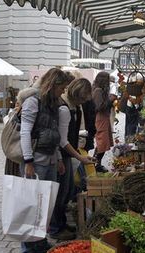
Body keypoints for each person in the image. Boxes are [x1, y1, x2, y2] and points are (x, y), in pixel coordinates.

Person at [20, 68, 69, 253]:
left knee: (46, 205)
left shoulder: (54, 104)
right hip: (37, 161)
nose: (63, 91)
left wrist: (58, 159)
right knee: (33, 205)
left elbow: (55, 134)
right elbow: (25, 132)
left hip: (49, 159)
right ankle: (29, 249)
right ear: (53, 85)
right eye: (62, 87)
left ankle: (40, 242)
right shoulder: (33, 101)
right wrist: (28, 161)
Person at [49, 78, 94, 240]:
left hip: (68, 153)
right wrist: (79, 157)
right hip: (61, 155)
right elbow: (62, 139)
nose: (84, 101)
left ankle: (60, 224)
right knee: (60, 192)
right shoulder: (64, 108)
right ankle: (55, 228)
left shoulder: (75, 106)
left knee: (66, 190)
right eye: (82, 98)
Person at [92, 71, 113, 173]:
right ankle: (96, 163)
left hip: (103, 118)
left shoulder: (100, 90)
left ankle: (97, 163)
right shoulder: (98, 91)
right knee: (102, 142)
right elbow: (98, 107)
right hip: (100, 118)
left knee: (104, 143)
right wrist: (110, 101)